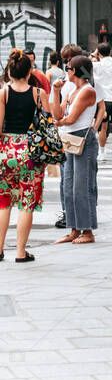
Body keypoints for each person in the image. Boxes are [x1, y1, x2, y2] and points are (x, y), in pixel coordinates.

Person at [0, 49, 50, 262]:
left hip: (7, 150)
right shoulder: (39, 94)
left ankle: (0, 249)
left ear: (9, 72)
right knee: (27, 203)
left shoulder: (3, 93)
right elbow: (48, 127)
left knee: (3, 202)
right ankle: (21, 252)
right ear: (30, 72)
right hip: (31, 152)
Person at [51, 55, 98, 245]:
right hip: (70, 140)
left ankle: (87, 231)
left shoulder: (88, 91)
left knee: (82, 187)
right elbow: (59, 113)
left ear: (77, 71)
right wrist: (55, 92)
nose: (66, 71)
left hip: (83, 140)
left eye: (69, 68)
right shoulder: (72, 90)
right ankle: (73, 229)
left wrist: (58, 122)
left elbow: (70, 119)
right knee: (68, 186)